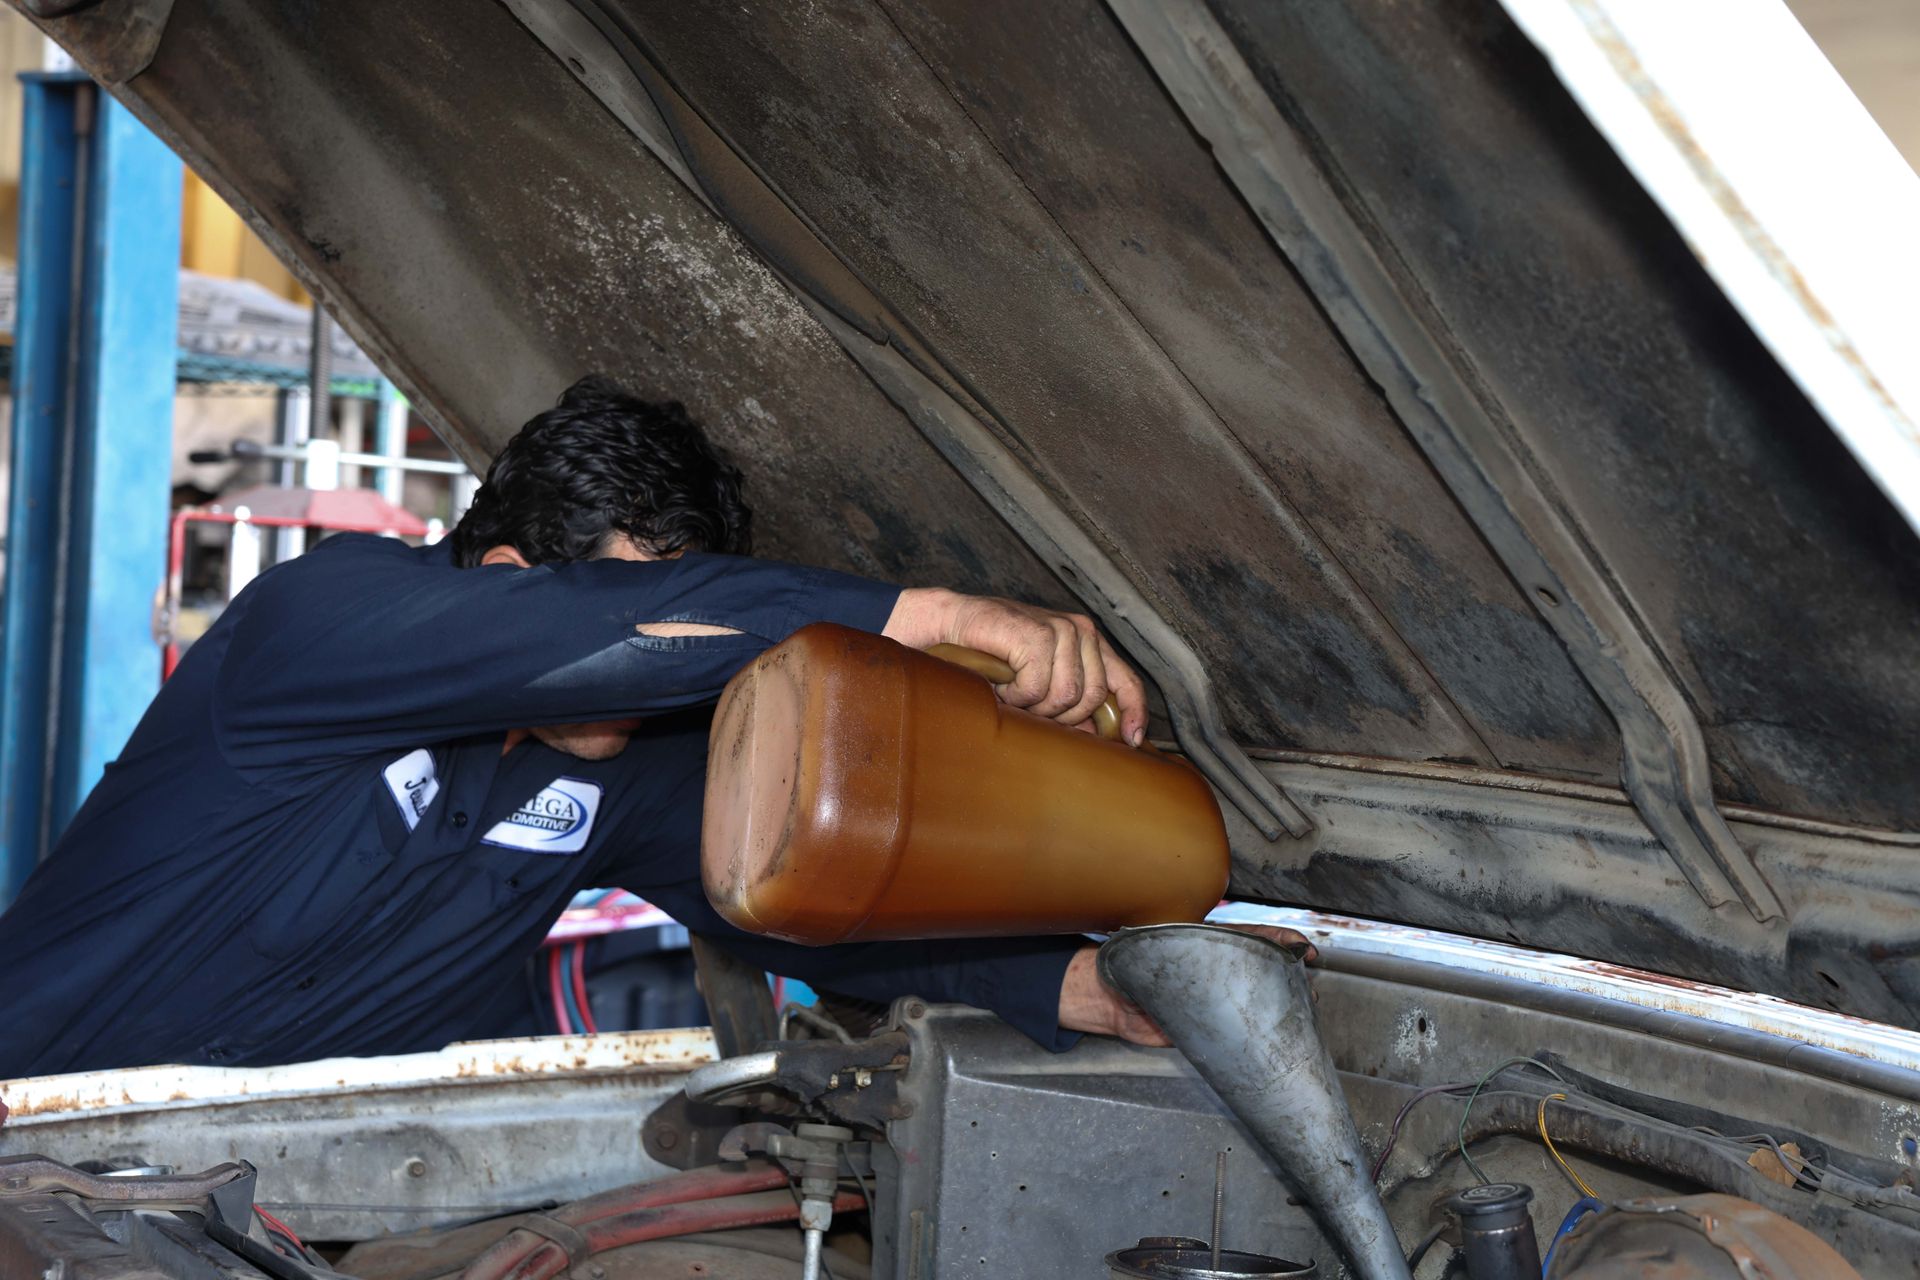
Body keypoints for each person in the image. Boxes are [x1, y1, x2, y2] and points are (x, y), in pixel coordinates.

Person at [0, 376, 1302, 1078]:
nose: (630, 691)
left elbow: (799, 911)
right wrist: (946, 611)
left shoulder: (615, 784)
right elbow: (617, 633)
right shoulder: (320, 630)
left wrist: (1074, 986)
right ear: (509, 580)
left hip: (287, 1217)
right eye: (612, 606)